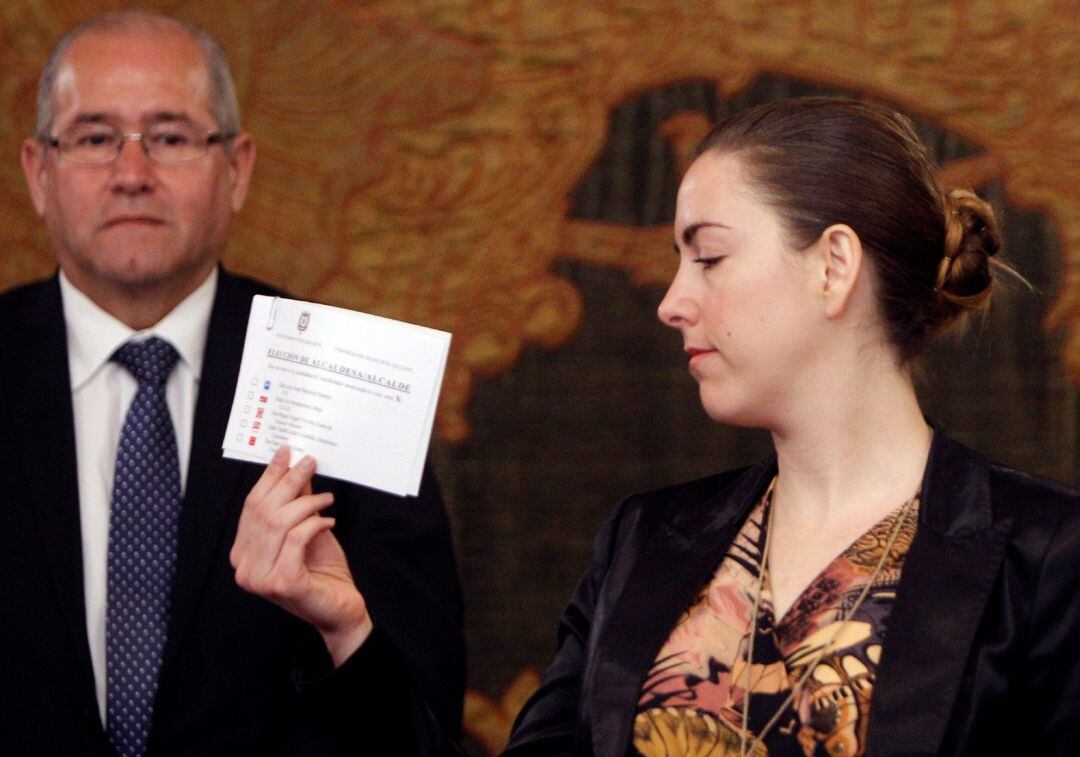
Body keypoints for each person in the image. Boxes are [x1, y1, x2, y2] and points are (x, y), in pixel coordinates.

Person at [506, 97, 1080, 756]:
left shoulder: (1048, 557)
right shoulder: (643, 540)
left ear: (834, 266)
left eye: (710, 256)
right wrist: (357, 636)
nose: (670, 302)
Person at [0, 11, 463, 756]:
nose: (131, 174)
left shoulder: (349, 383)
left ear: (238, 168)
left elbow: (424, 731)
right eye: (93, 138)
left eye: (172, 137)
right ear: (37, 171)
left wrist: (344, 631)